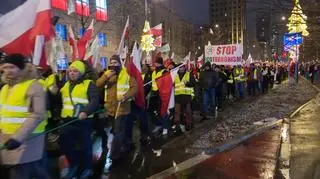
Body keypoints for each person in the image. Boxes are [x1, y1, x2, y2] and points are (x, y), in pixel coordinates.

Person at [0, 54, 49, 179]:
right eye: (5, 67)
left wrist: (18, 138)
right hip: (7, 137)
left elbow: (38, 114)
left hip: (28, 138)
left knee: (20, 171)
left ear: (21, 68)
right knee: (32, 170)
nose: (8, 71)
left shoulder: (34, 86)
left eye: (12, 67)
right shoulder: (5, 88)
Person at [59, 60, 100, 179]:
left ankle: (87, 168)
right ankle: (74, 164)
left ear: (81, 72)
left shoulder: (89, 84)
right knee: (65, 145)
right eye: (70, 71)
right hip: (68, 120)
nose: (72, 73)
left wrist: (85, 112)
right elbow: (59, 99)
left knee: (85, 146)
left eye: (75, 71)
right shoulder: (65, 84)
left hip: (83, 121)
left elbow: (94, 101)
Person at [96, 55, 137, 171]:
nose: (113, 64)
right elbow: (97, 85)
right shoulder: (107, 74)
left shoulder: (126, 75)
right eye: (111, 62)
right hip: (111, 109)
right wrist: (105, 76)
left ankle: (115, 156)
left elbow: (135, 88)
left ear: (120, 64)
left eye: (116, 62)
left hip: (122, 109)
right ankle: (126, 145)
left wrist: (125, 96)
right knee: (116, 131)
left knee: (117, 132)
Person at [173, 64, 196, 132]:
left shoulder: (189, 74)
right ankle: (177, 125)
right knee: (177, 112)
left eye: (182, 67)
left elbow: (194, 84)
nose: (181, 69)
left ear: (184, 68)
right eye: (180, 68)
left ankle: (188, 124)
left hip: (186, 96)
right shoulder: (174, 75)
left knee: (188, 112)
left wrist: (188, 83)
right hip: (178, 96)